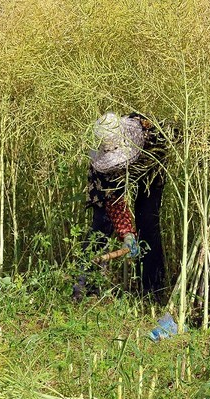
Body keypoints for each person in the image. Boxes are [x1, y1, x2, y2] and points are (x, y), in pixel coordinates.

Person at [73, 111, 170, 303]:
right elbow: (113, 200)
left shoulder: (151, 134)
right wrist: (126, 233)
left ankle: (152, 292)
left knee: (148, 221)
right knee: (102, 222)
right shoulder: (100, 166)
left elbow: (189, 137)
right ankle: (84, 287)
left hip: (149, 168)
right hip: (109, 180)